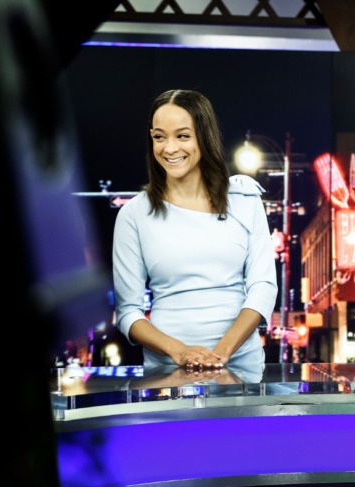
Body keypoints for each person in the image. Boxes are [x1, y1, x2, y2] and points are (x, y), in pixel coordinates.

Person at [112, 89, 278, 370]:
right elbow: (128, 311)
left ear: (204, 136)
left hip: (239, 367)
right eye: (159, 137)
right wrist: (180, 352)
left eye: (183, 135)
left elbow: (263, 288)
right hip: (167, 372)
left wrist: (222, 354)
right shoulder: (133, 214)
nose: (170, 148)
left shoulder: (244, 199)